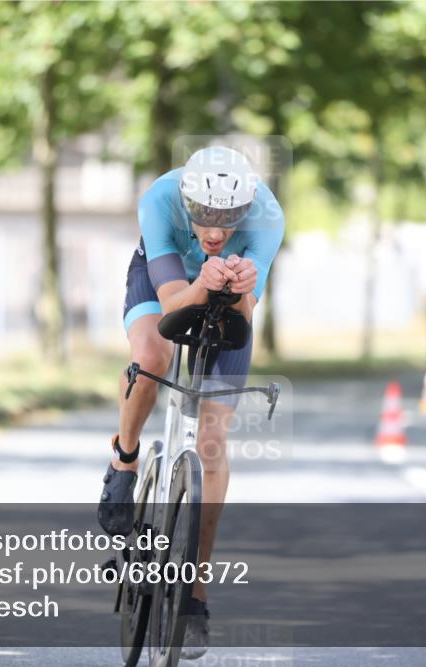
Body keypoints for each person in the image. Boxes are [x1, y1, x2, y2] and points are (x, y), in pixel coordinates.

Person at [97, 145, 284, 658]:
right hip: (168, 279)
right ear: (186, 200)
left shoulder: (267, 217)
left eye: (228, 217)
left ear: (247, 207)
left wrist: (242, 288)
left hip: (225, 290)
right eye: (204, 215)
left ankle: (196, 595)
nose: (216, 229)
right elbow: (172, 305)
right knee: (153, 357)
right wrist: (203, 279)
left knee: (212, 439)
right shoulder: (160, 198)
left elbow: (245, 316)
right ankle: (125, 458)